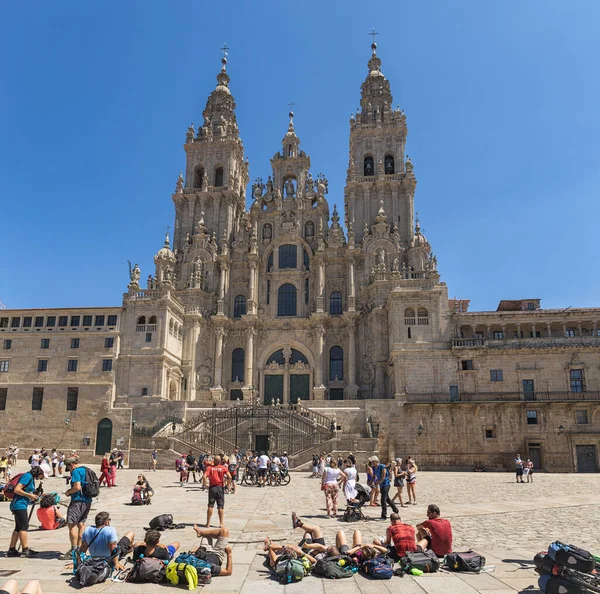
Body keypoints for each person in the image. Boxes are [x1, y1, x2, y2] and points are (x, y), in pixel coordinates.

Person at [60, 456, 93, 560]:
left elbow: (77, 487)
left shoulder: (76, 472)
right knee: (81, 524)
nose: (69, 470)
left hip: (78, 501)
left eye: (68, 467)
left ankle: (73, 550)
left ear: (71, 465)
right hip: (87, 501)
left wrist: (68, 492)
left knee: (72, 525)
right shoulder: (87, 469)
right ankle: (80, 549)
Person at [7, 465, 44, 557]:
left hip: (20, 504)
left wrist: (34, 493)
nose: (41, 478)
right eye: (41, 476)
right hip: (19, 505)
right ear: (39, 473)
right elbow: (17, 489)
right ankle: (25, 550)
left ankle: (12, 549)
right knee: (24, 526)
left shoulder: (29, 477)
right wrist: (29, 495)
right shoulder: (27, 477)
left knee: (18, 527)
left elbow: (25, 489)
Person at [205, 455, 230, 528]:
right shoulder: (223, 468)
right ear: (220, 461)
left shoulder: (210, 468)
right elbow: (230, 477)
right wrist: (228, 485)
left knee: (210, 505)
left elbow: (204, 476)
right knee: (220, 506)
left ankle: (208, 523)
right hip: (220, 488)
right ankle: (221, 523)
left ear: (214, 461)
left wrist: (205, 484)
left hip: (212, 488)